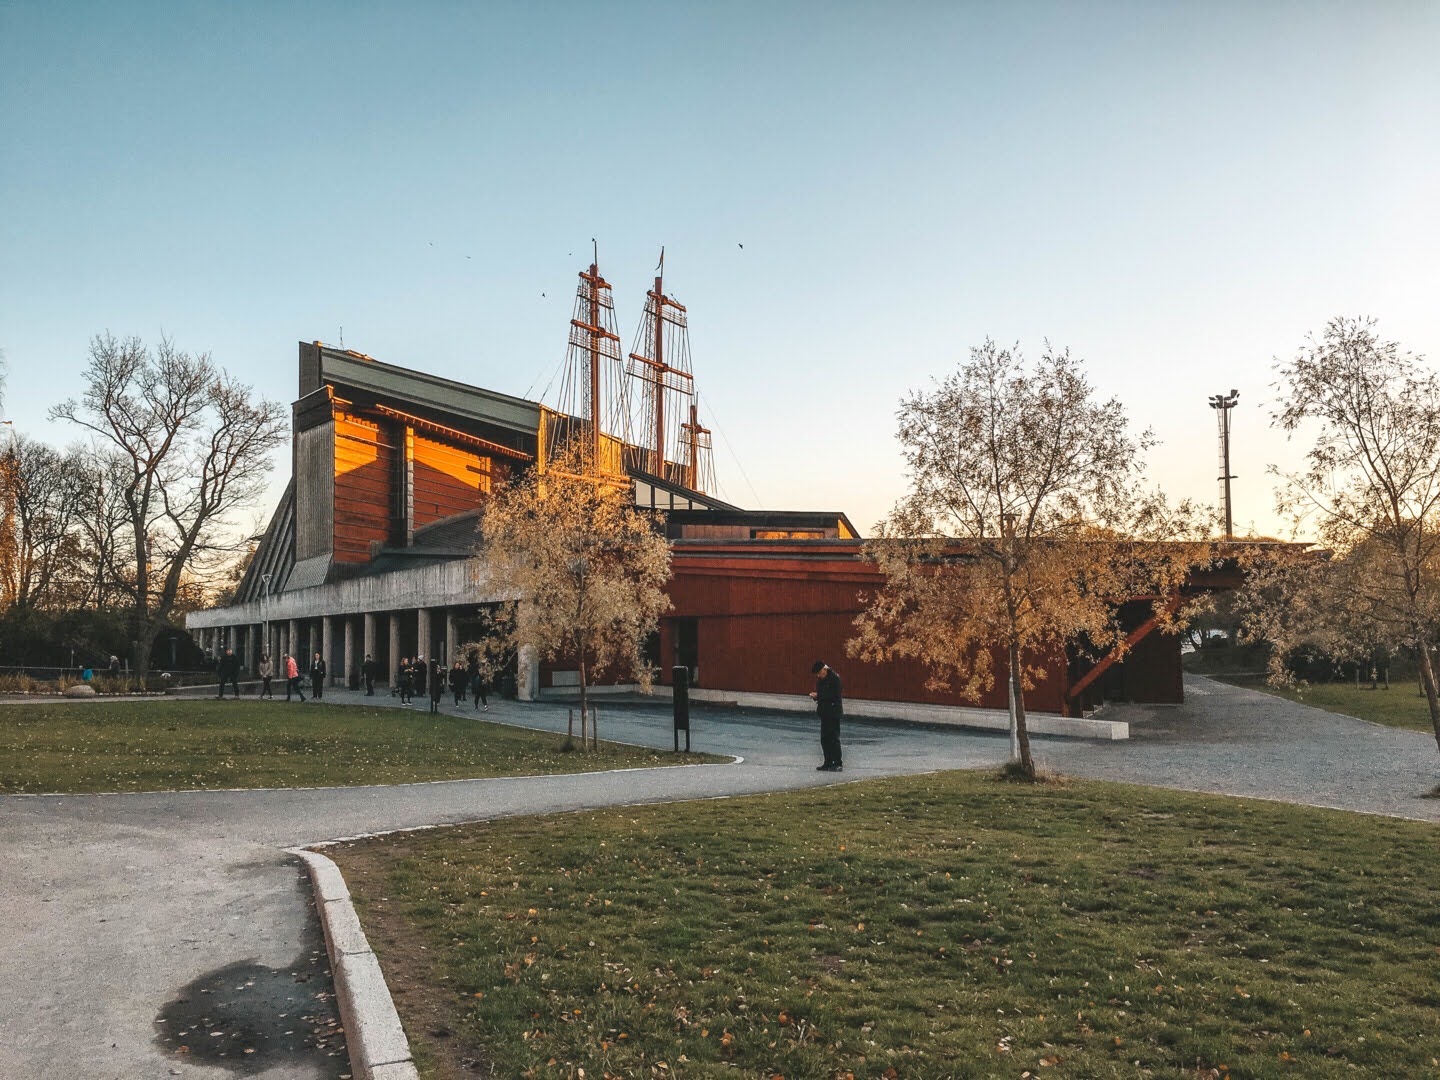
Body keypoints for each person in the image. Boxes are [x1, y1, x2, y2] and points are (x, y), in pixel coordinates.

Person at [809, 660, 843, 772]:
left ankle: (837, 763)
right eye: (817, 674)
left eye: (820, 673)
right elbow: (822, 694)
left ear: (825, 669)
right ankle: (827, 762)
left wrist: (818, 696)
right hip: (824, 712)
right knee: (824, 739)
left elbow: (834, 695)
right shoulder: (820, 680)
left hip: (833, 712)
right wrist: (816, 697)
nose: (819, 676)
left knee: (834, 738)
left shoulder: (835, 679)